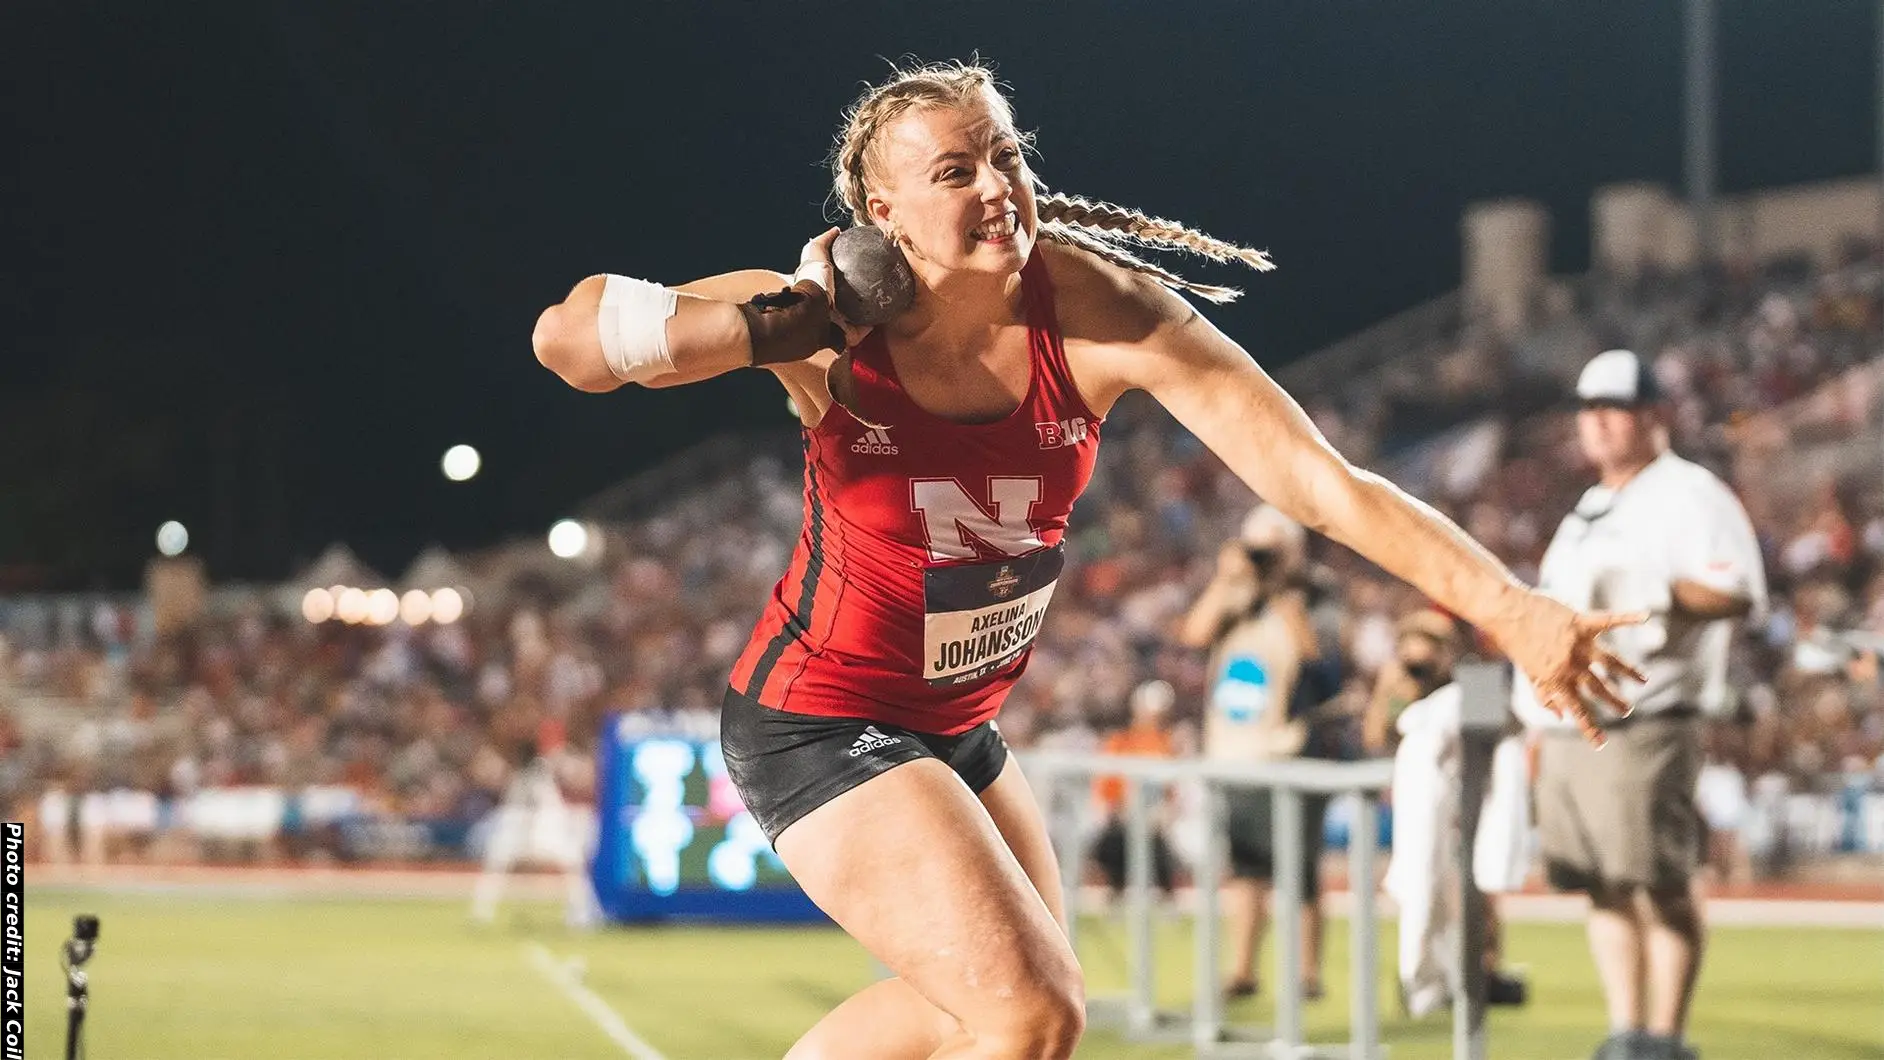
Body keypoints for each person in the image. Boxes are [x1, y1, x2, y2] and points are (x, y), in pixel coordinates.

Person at [533, 59, 1643, 1060]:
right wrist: (778, 328)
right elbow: (570, 341)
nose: (994, 186)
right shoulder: (825, 325)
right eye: (954, 170)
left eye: (1006, 155)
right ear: (885, 213)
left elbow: (1321, 485)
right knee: (1029, 1011)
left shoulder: (1105, 313)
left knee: (1019, 1021)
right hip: (817, 716)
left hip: (956, 725)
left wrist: (1513, 607)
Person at [1514, 349, 1768, 1060]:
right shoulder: (1591, 505)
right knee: (1601, 883)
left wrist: (1652, 584)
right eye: (1586, 408)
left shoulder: (1689, 493)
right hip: (1575, 717)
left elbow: (1736, 590)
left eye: (1611, 406)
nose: (1594, 422)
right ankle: (1627, 1029)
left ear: (1655, 414)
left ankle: (1666, 1034)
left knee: (1659, 878)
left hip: (1648, 715)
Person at [1176, 504, 1336, 1000]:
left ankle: (1307, 974)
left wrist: (1290, 606)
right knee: (1246, 869)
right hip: (1234, 752)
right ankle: (1242, 970)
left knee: (1300, 870)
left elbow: (1328, 673)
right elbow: (1192, 635)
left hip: (1289, 751)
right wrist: (1227, 580)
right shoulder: (1236, 599)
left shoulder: (1317, 596)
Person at [1369, 609, 1529, 1016]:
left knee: (1478, 890)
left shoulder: (1474, 679)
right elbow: (1376, 737)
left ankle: (1482, 970)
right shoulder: (1399, 684)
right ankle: (1427, 974)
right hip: (1417, 804)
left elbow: (1498, 736)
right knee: (1425, 886)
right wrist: (1390, 694)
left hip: (1471, 798)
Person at [1088, 679, 1179, 901]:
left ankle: (1166, 896)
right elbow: (1106, 789)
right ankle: (1116, 891)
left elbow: (1172, 792)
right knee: (1113, 843)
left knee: (1160, 847)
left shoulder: (1168, 744)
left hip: (1156, 819)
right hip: (1123, 816)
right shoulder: (1121, 742)